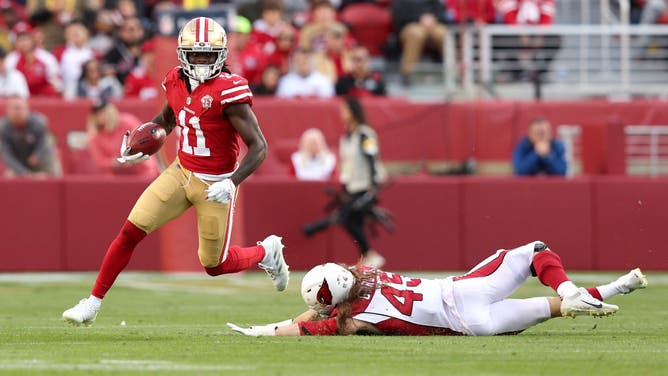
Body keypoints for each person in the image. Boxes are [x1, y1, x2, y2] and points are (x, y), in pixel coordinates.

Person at [62, 17, 290, 326]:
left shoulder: (228, 91)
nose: (199, 61)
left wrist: (232, 182)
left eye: (207, 54)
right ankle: (92, 303)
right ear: (182, 54)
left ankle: (266, 252)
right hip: (180, 172)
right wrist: (141, 144)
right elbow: (168, 119)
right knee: (130, 231)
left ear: (220, 55)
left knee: (214, 264)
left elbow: (259, 146)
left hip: (214, 183)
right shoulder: (174, 80)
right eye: (194, 54)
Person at [227, 240, 649, 336]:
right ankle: (591, 287)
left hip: (471, 325)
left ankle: (620, 285)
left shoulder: (356, 319)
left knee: (556, 308)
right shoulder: (368, 274)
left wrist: (263, 330)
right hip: (464, 290)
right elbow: (317, 313)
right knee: (536, 251)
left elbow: (303, 326)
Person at [303, 97, 387, 267]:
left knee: (346, 218)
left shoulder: (364, 134)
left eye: (345, 110)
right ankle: (367, 256)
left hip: (365, 185)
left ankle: (369, 255)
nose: (342, 114)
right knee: (353, 222)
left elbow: (371, 158)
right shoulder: (347, 136)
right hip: (352, 186)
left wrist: (373, 185)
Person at [86, 99, 159, 177]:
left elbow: (145, 140)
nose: (101, 116)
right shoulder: (96, 134)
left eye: (104, 112)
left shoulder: (128, 122)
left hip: (143, 171)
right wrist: (113, 162)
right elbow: (100, 159)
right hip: (117, 176)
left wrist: (129, 158)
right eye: (97, 114)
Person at [0, 96, 62, 177]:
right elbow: (7, 155)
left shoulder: (39, 122)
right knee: (9, 177)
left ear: (27, 109)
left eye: (20, 108)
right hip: (19, 162)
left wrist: (37, 155)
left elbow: (44, 142)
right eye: (14, 108)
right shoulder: (4, 127)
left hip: (42, 159)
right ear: (8, 111)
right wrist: (23, 173)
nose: (17, 112)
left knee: (53, 178)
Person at [390, 0, 448, 86]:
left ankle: (454, 72)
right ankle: (407, 74)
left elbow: (442, 12)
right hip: (410, 25)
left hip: (433, 24)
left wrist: (434, 18)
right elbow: (398, 16)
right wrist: (419, 19)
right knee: (416, 34)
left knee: (445, 33)